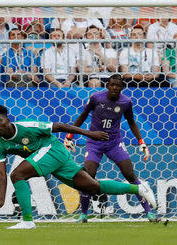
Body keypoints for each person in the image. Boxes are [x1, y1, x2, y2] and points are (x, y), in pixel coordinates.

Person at [0, 104, 157, 229]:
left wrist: (89, 133)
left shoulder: (27, 127)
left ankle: (27, 221)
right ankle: (140, 189)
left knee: (17, 175)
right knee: (92, 187)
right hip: (51, 160)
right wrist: (2, 200)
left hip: (53, 150)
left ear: (8, 120)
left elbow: (60, 126)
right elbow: (1, 174)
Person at [63, 74, 156, 223]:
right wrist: (69, 136)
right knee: (88, 176)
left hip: (114, 142)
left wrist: (141, 141)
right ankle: (84, 215)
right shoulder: (96, 98)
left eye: (118, 86)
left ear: (122, 88)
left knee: (130, 174)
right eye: (112, 85)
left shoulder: (126, 102)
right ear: (107, 86)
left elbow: (132, 122)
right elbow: (83, 115)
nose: (115, 88)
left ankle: (149, 213)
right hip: (95, 143)